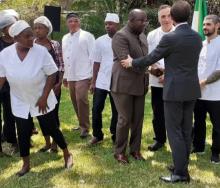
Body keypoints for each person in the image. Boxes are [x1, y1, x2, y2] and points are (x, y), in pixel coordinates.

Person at [121, 1, 202, 183]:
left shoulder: (170, 38)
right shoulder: (197, 37)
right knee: (186, 129)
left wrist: (132, 62)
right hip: (191, 89)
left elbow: (151, 58)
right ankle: (181, 166)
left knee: (174, 131)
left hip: (174, 90)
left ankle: (180, 174)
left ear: (172, 17)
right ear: (188, 16)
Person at [0, 20, 73, 176]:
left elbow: (52, 73)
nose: (31, 39)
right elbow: (1, 77)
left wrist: (44, 97)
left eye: (31, 35)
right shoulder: (5, 55)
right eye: (27, 36)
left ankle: (67, 153)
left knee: (51, 128)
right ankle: (26, 164)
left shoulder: (40, 51)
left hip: (41, 98)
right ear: (16, 39)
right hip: (19, 100)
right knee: (23, 132)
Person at [111, 9, 148, 164]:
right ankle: (119, 152)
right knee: (124, 119)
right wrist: (149, 69)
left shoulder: (143, 35)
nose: (145, 23)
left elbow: (145, 58)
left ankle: (135, 150)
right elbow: (126, 61)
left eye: (145, 20)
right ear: (131, 20)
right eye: (141, 20)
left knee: (138, 119)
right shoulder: (120, 36)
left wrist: (151, 66)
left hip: (140, 84)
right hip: (124, 84)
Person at [33, 16, 64, 153]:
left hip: (54, 84)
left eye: (40, 28)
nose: (37, 30)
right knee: (40, 114)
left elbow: (61, 65)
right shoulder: (31, 44)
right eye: (35, 28)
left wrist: (59, 83)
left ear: (48, 30)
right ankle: (47, 142)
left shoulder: (55, 45)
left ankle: (55, 143)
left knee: (53, 114)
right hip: (37, 85)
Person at [62, 13, 95, 138]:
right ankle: (81, 123)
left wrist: (92, 77)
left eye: (75, 21)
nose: (73, 23)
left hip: (84, 74)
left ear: (79, 22)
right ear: (67, 23)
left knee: (82, 99)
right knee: (74, 100)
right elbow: (65, 57)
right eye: (70, 21)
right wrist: (65, 76)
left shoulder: (87, 36)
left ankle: (85, 128)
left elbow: (93, 56)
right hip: (71, 74)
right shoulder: (65, 38)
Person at [192, 15, 220, 164]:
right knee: (199, 122)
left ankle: (216, 153)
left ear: (217, 26)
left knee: (218, 126)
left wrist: (204, 81)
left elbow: (219, 71)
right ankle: (198, 147)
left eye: (208, 24)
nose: (205, 27)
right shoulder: (201, 44)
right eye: (204, 25)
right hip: (199, 93)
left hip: (216, 95)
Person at [147, 4, 174, 152]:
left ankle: (180, 141)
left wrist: (168, 74)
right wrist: (160, 73)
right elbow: (151, 57)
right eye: (163, 16)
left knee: (177, 112)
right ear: (158, 19)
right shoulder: (152, 35)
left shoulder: (179, 33)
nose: (166, 19)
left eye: (169, 15)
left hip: (175, 81)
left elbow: (182, 59)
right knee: (158, 112)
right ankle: (159, 139)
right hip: (157, 80)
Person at [89, 13, 119, 145]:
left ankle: (115, 134)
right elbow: (96, 62)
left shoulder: (123, 39)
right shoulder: (99, 41)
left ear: (117, 25)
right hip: (101, 81)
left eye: (110, 24)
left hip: (117, 81)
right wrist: (93, 81)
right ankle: (97, 135)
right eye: (106, 24)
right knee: (96, 109)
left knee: (116, 110)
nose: (107, 26)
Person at [0, 14, 18, 156]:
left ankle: (12, 140)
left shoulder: (20, 41)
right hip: (0, 83)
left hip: (14, 84)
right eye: (6, 27)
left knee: (10, 114)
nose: (9, 29)